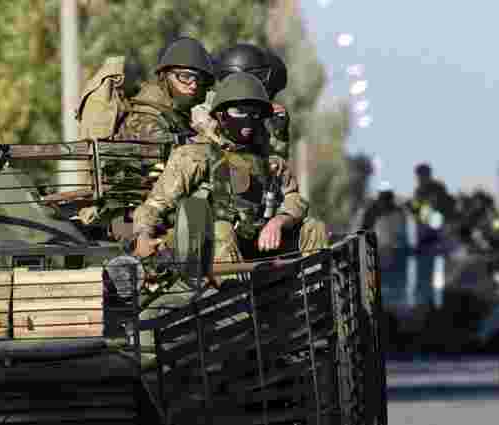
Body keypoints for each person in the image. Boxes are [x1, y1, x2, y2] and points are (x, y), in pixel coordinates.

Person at [133, 72, 327, 271]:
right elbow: (154, 205)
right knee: (221, 230)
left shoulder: (268, 159)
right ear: (220, 115)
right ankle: (233, 290)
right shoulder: (195, 155)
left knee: (313, 228)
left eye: (254, 112)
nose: (247, 119)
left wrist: (279, 221)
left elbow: (294, 198)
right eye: (239, 111)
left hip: (257, 241)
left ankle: (315, 287)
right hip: (204, 252)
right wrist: (143, 236)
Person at [77, 37, 215, 237]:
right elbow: (175, 164)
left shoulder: (174, 115)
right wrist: (206, 138)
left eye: (199, 79)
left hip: (162, 211)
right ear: (164, 76)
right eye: (184, 77)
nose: (193, 84)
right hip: (134, 217)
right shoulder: (147, 117)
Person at [191, 44, 290, 164]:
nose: (267, 101)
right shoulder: (205, 116)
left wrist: (279, 133)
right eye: (265, 92)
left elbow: (270, 166)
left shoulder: (249, 119)